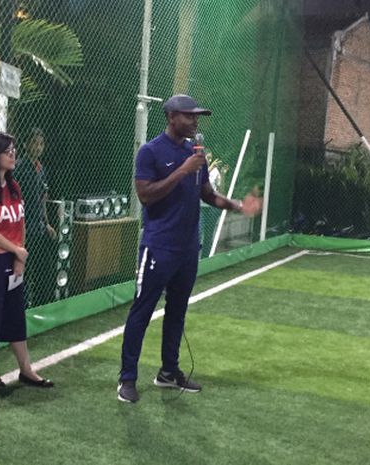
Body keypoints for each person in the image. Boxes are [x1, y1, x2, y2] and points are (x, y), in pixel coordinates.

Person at [118, 94, 262, 403]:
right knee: (142, 311)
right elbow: (146, 195)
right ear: (171, 117)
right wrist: (183, 170)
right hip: (158, 247)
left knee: (177, 312)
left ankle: (169, 372)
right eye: (189, 115)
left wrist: (237, 205)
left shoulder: (195, 152)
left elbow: (207, 194)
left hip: (187, 249)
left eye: (197, 116)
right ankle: (127, 379)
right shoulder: (150, 152)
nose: (195, 121)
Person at [0, 131, 54, 388]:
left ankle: (25, 369)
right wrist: (16, 251)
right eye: (8, 151)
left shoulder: (14, 187)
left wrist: (20, 254)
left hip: (11, 257)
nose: (13, 155)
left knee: (16, 312)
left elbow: (20, 223)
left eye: (13, 150)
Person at [13, 128, 57, 307]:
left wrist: (47, 223)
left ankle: (41, 304)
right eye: (35, 143)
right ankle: (21, 305)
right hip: (24, 228)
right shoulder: (19, 168)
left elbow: (43, 199)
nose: (38, 147)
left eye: (41, 144)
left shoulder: (41, 169)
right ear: (26, 144)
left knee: (43, 268)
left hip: (38, 227)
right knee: (24, 270)